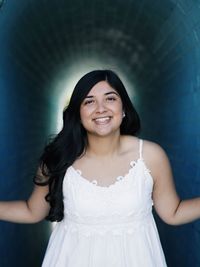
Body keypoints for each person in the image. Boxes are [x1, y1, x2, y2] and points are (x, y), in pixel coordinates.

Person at [0, 69, 200, 267]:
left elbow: (173, 212)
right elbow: (32, 211)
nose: (100, 108)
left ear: (123, 109)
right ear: (78, 114)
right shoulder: (58, 160)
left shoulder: (150, 156)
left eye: (110, 99)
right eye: (89, 101)